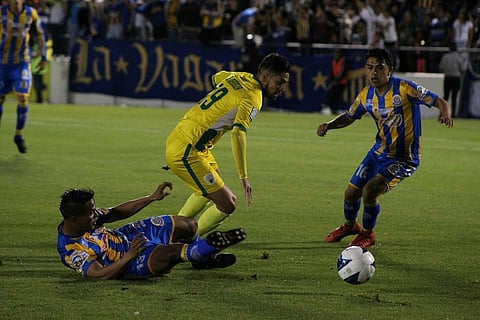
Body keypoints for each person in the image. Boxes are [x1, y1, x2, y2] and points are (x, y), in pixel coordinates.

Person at [317, 48, 453, 248]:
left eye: (379, 68)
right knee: (350, 193)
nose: (373, 73)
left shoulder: (405, 88)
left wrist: (445, 113)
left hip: (404, 158)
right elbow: (349, 116)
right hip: (378, 152)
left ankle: (368, 234)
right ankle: (350, 226)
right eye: (370, 68)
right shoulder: (366, 95)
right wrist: (329, 125)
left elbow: (440, 101)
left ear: (389, 70)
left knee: (370, 190)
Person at [165, 53, 290, 236]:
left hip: (184, 139)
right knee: (228, 203)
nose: (282, 88)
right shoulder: (254, 97)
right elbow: (238, 133)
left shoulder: (239, 77)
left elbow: (216, 77)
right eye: (279, 82)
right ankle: (185, 240)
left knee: (210, 188)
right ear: (265, 77)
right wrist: (243, 176)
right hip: (189, 148)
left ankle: (173, 233)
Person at [57, 181, 247, 280]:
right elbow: (100, 274)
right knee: (171, 254)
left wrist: (151, 198)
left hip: (128, 236)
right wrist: (128, 256)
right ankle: (206, 249)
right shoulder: (72, 250)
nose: (95, 215)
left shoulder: (89, 217)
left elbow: (117, 212)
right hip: (127, 261)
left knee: (189, 225)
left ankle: (201, 259)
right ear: (73, 219)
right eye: (90, 214)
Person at [0, 0, 47, 153]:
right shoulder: (1, 12)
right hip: (2, 63)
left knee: (23, 97)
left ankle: (18, 135)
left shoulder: (31, 13)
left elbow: (40, 33)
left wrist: (43, 56)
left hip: (21, 63)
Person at [439, 43, 467, 117]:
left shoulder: (445, 56)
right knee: (454, 97)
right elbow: (463, 68)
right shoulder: (458, 57)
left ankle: (443, 113)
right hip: (456, 78)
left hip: (447, 77)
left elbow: (441, 67)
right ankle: (453, 114)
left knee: (446, 97)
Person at [321, 49, 349, 115]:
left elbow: (343, 72)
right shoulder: (333, 61)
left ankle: (328, 106)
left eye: (337, 53)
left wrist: (336, 81)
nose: (335, 55)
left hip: (342, 82)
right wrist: (333, 81)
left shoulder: (343, 61)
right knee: (332, 91)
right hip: (336, 82)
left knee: (334, 91)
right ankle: (329, 107)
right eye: (334, 53)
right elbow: (332, 73)